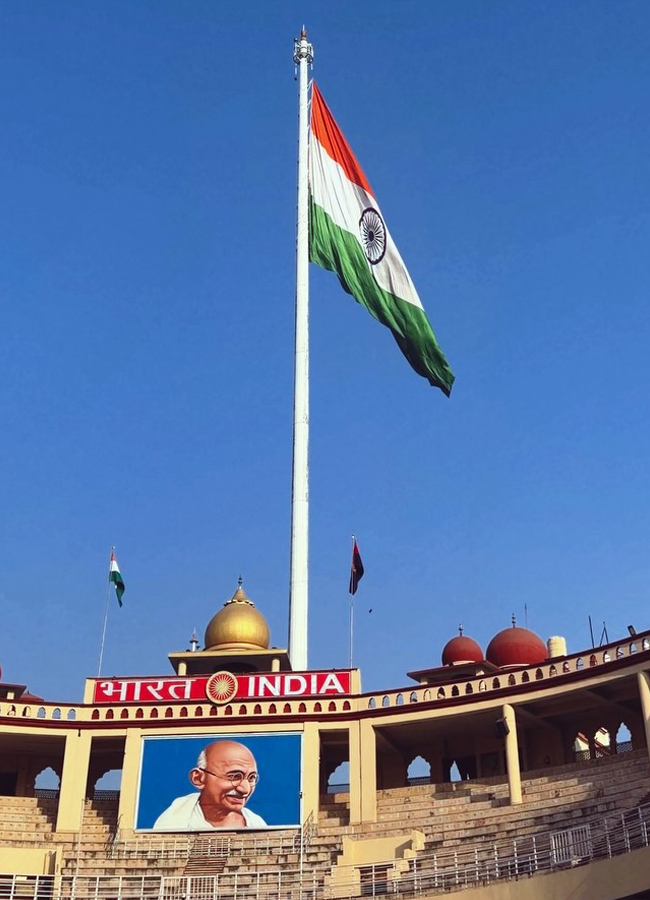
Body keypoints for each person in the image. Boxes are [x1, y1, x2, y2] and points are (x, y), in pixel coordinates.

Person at [153, 740, 267, 830]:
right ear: (198, 778)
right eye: (234, 777)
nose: (245, 789)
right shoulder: (174, 820)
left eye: (251, 778)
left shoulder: (255, 823)